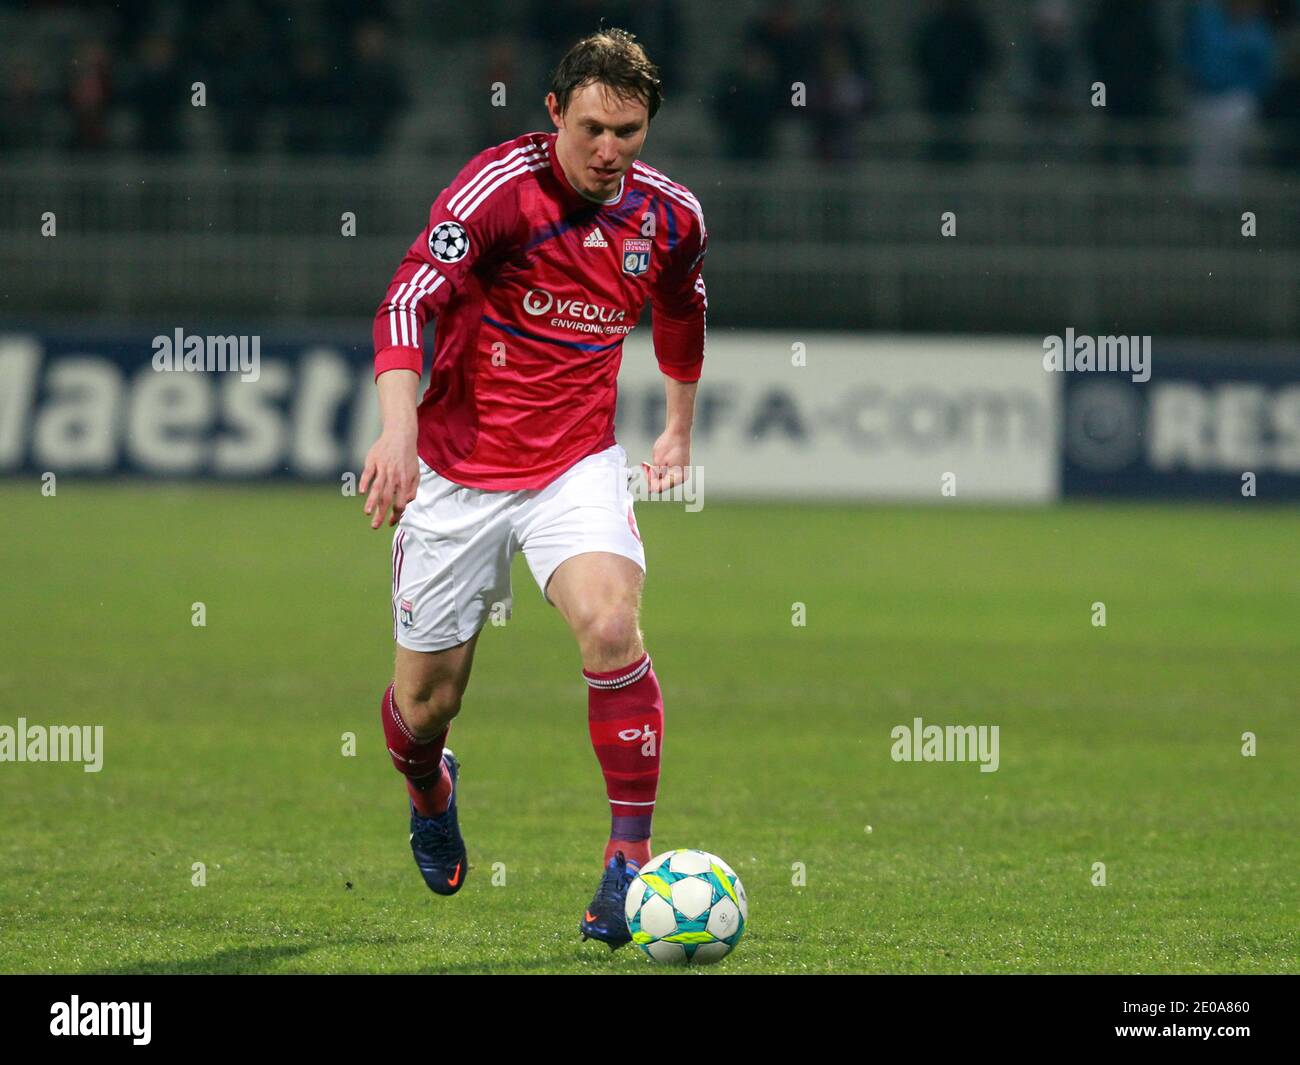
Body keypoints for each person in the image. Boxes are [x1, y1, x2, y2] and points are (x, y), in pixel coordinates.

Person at [359, 28, 706, 949]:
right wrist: (398, 433)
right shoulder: (496, 194)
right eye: (593, 127)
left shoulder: (669, 217)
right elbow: (406, 302)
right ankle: (430, 787)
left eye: (629, 133)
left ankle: (627, 866)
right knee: (425, 709)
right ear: (554, 111)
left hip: (573, 465)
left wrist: (676, 426)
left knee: (610, 624)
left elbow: (681, 309)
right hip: (456, 471)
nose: (609, 152)